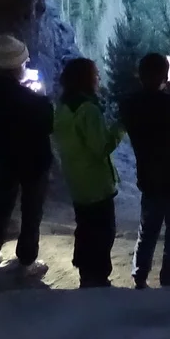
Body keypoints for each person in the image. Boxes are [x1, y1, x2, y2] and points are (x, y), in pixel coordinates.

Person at [0, 35, 54, 279]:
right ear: (17, 65)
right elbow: (46, 122)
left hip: (4, 157)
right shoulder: (31, 98)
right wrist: (39, 96)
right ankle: (26, 260)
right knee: (32, 210)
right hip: (33, 160)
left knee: (1, 203)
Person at [120, 53, 170, 289]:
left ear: (139, 75)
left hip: (150, 178)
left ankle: (140, 276)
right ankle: (169, 282)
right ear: (165, 75)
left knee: (148, 231)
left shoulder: (130, 104)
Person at [53, 58, 125, 288]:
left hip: (76, 180)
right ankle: (98, 279)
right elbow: (100, 147)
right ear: (85, 78)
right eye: (95, 74)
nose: (98, 78)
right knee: (103, 232)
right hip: (96, 183)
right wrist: (119, 129)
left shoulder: (63, 107)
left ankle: (86, 273)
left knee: (85, 227)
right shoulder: (88, 109)